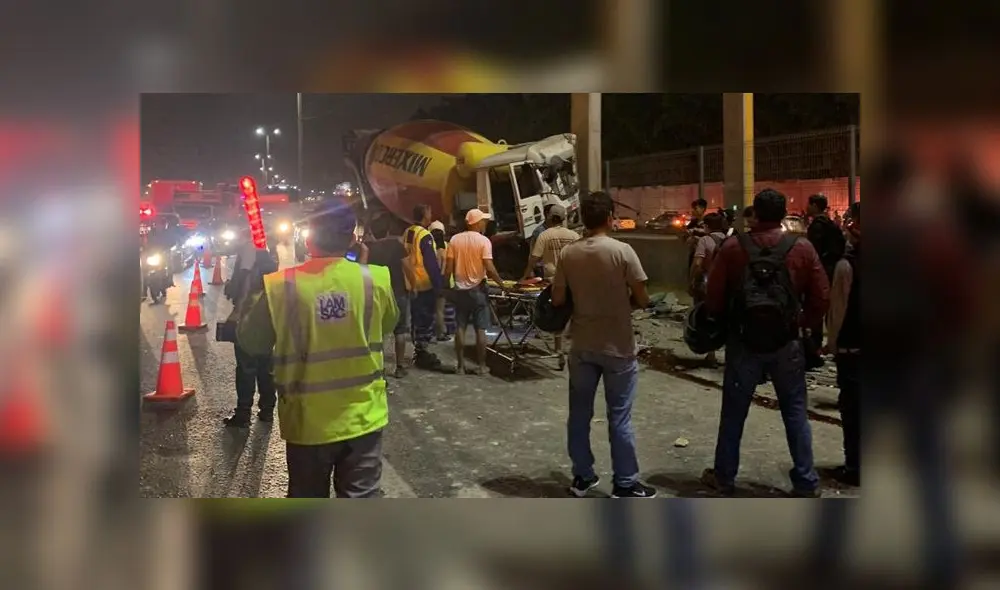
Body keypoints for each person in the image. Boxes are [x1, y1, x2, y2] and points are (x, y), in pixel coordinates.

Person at [236, 204, 398, 498]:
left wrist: (250, 298)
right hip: (364, 417)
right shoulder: (375, 279)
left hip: (308, 421)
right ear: (352, 239)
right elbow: (386, 324)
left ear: (308, 238)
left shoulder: (280, 286)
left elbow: (251, 342)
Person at [702, 188, 829, 497]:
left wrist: (725, 323)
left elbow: (714, 297)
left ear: (754, 214)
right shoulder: (801, 248)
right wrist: (801, 324)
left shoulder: (733, 247)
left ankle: (725, 477)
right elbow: (821, 296)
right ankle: (806, 480)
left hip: (744, 341)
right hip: (787, 343)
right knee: (795, 410)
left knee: (733, 411)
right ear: (784, 214)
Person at [553, 191, 656, 499]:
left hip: (582, 344)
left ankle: (583, 477)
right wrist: (622, 306)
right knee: (619, 417)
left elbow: (558, 299)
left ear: (583, 219)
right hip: (618, 347)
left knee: (579, 414)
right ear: (610, 217)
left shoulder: (568, 254)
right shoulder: (623, 251)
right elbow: (643, 298)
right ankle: (625, 483)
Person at [222, 232, 279, 427]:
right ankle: (267, 410)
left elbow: (247, 279)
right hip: (266, 309)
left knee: (246, 365)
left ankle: (243, 413)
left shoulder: (249, 247)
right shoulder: (270, 251)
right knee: (265, 364)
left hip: (249, 311)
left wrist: (237, 310)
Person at [444, 208, 507, 375]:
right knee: (480, 328)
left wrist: (445, 286)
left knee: (460, 327)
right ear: (476, 223)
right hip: (478, 290)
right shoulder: (484, 241)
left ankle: (460, 367)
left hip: (460, 290)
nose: (485, 224)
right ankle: (481, 366)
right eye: (483, 221)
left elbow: (448, 268)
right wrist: (502, 285)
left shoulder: (454, 240)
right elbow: (490, 267)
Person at [824, 201, 860, 487]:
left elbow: (838, 311)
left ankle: (855, 467)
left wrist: (831, 343)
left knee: (854, 408)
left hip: (855, 348)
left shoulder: (847, 266)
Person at [521, 204, 579, 363]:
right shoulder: (574, 236)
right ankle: (566, 349)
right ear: (563, 218)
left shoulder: (545, 235)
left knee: (556, 314)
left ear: (549, 217)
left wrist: (524, 277)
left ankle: (559, 349)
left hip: (553, 281)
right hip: (572, 279)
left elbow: (533, 259)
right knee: (572, 313)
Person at [365, 228, 416, 378]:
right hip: (398, 292)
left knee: (378, 332)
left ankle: (378, 368)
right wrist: (413, 286)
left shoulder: (369, 248)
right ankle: (399, 367)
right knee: (400, 331)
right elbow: (408, 267)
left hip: (378, 293)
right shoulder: (397, 246)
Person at [804, 193, 846, 370]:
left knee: (815, 308)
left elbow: (813, 251)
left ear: (814, 205)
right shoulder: (831, 224)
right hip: (832, 269)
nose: (807, 207)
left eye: (809, 204)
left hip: (820, 270)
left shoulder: (817, 225)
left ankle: (814, 348)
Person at [404, 204, 445, 370]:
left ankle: (418, 349)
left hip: (411, 281)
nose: (431, 214)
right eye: (429, 212)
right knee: (425, 318)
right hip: (424, 283)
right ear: (424, 215)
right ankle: (422, 352)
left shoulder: (409, 232)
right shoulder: (425, 235)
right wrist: (438, 284)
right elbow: (431, 262)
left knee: (416, 317)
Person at [688, 212, 727, 365]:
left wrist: (691, 281)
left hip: (706, 284)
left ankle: (710, 353)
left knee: (705, 318)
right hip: (724, 285)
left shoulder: (705, 240)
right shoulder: (728, 240)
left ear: (707, 226)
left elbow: (698, 264)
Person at [429, 220, 457, 341]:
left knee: (438, 309)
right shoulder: (447, 246)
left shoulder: (429, 246)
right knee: (445, 309)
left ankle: (439, 332)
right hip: (447, 282)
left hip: (434, 282)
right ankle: (444, 332)